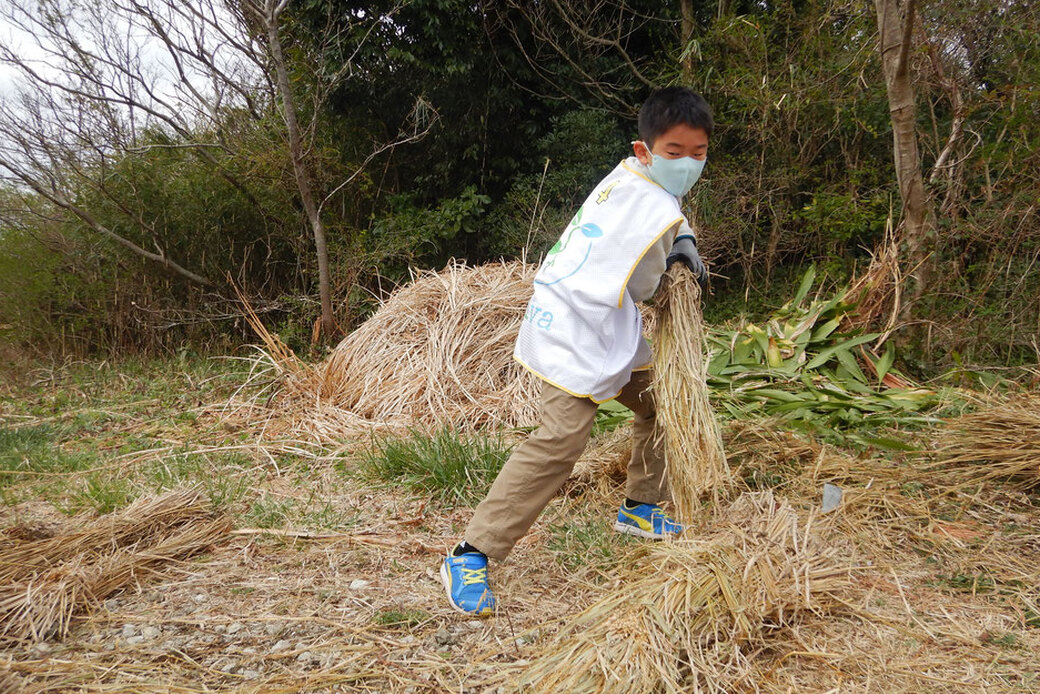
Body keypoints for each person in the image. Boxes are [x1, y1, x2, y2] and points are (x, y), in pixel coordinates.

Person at [440, 86, 713, 616]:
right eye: (674, 154)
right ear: (645, 150)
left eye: (698, 154)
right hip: (573, 324)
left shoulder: (635, 176)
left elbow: (671, 218)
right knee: (561, 440)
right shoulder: (645, 194)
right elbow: (648, 281)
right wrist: (678, 263)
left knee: (661, 403)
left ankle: (639, 507)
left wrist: (686, 242)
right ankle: (471, 552)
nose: (686, 165)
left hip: (610, 324)